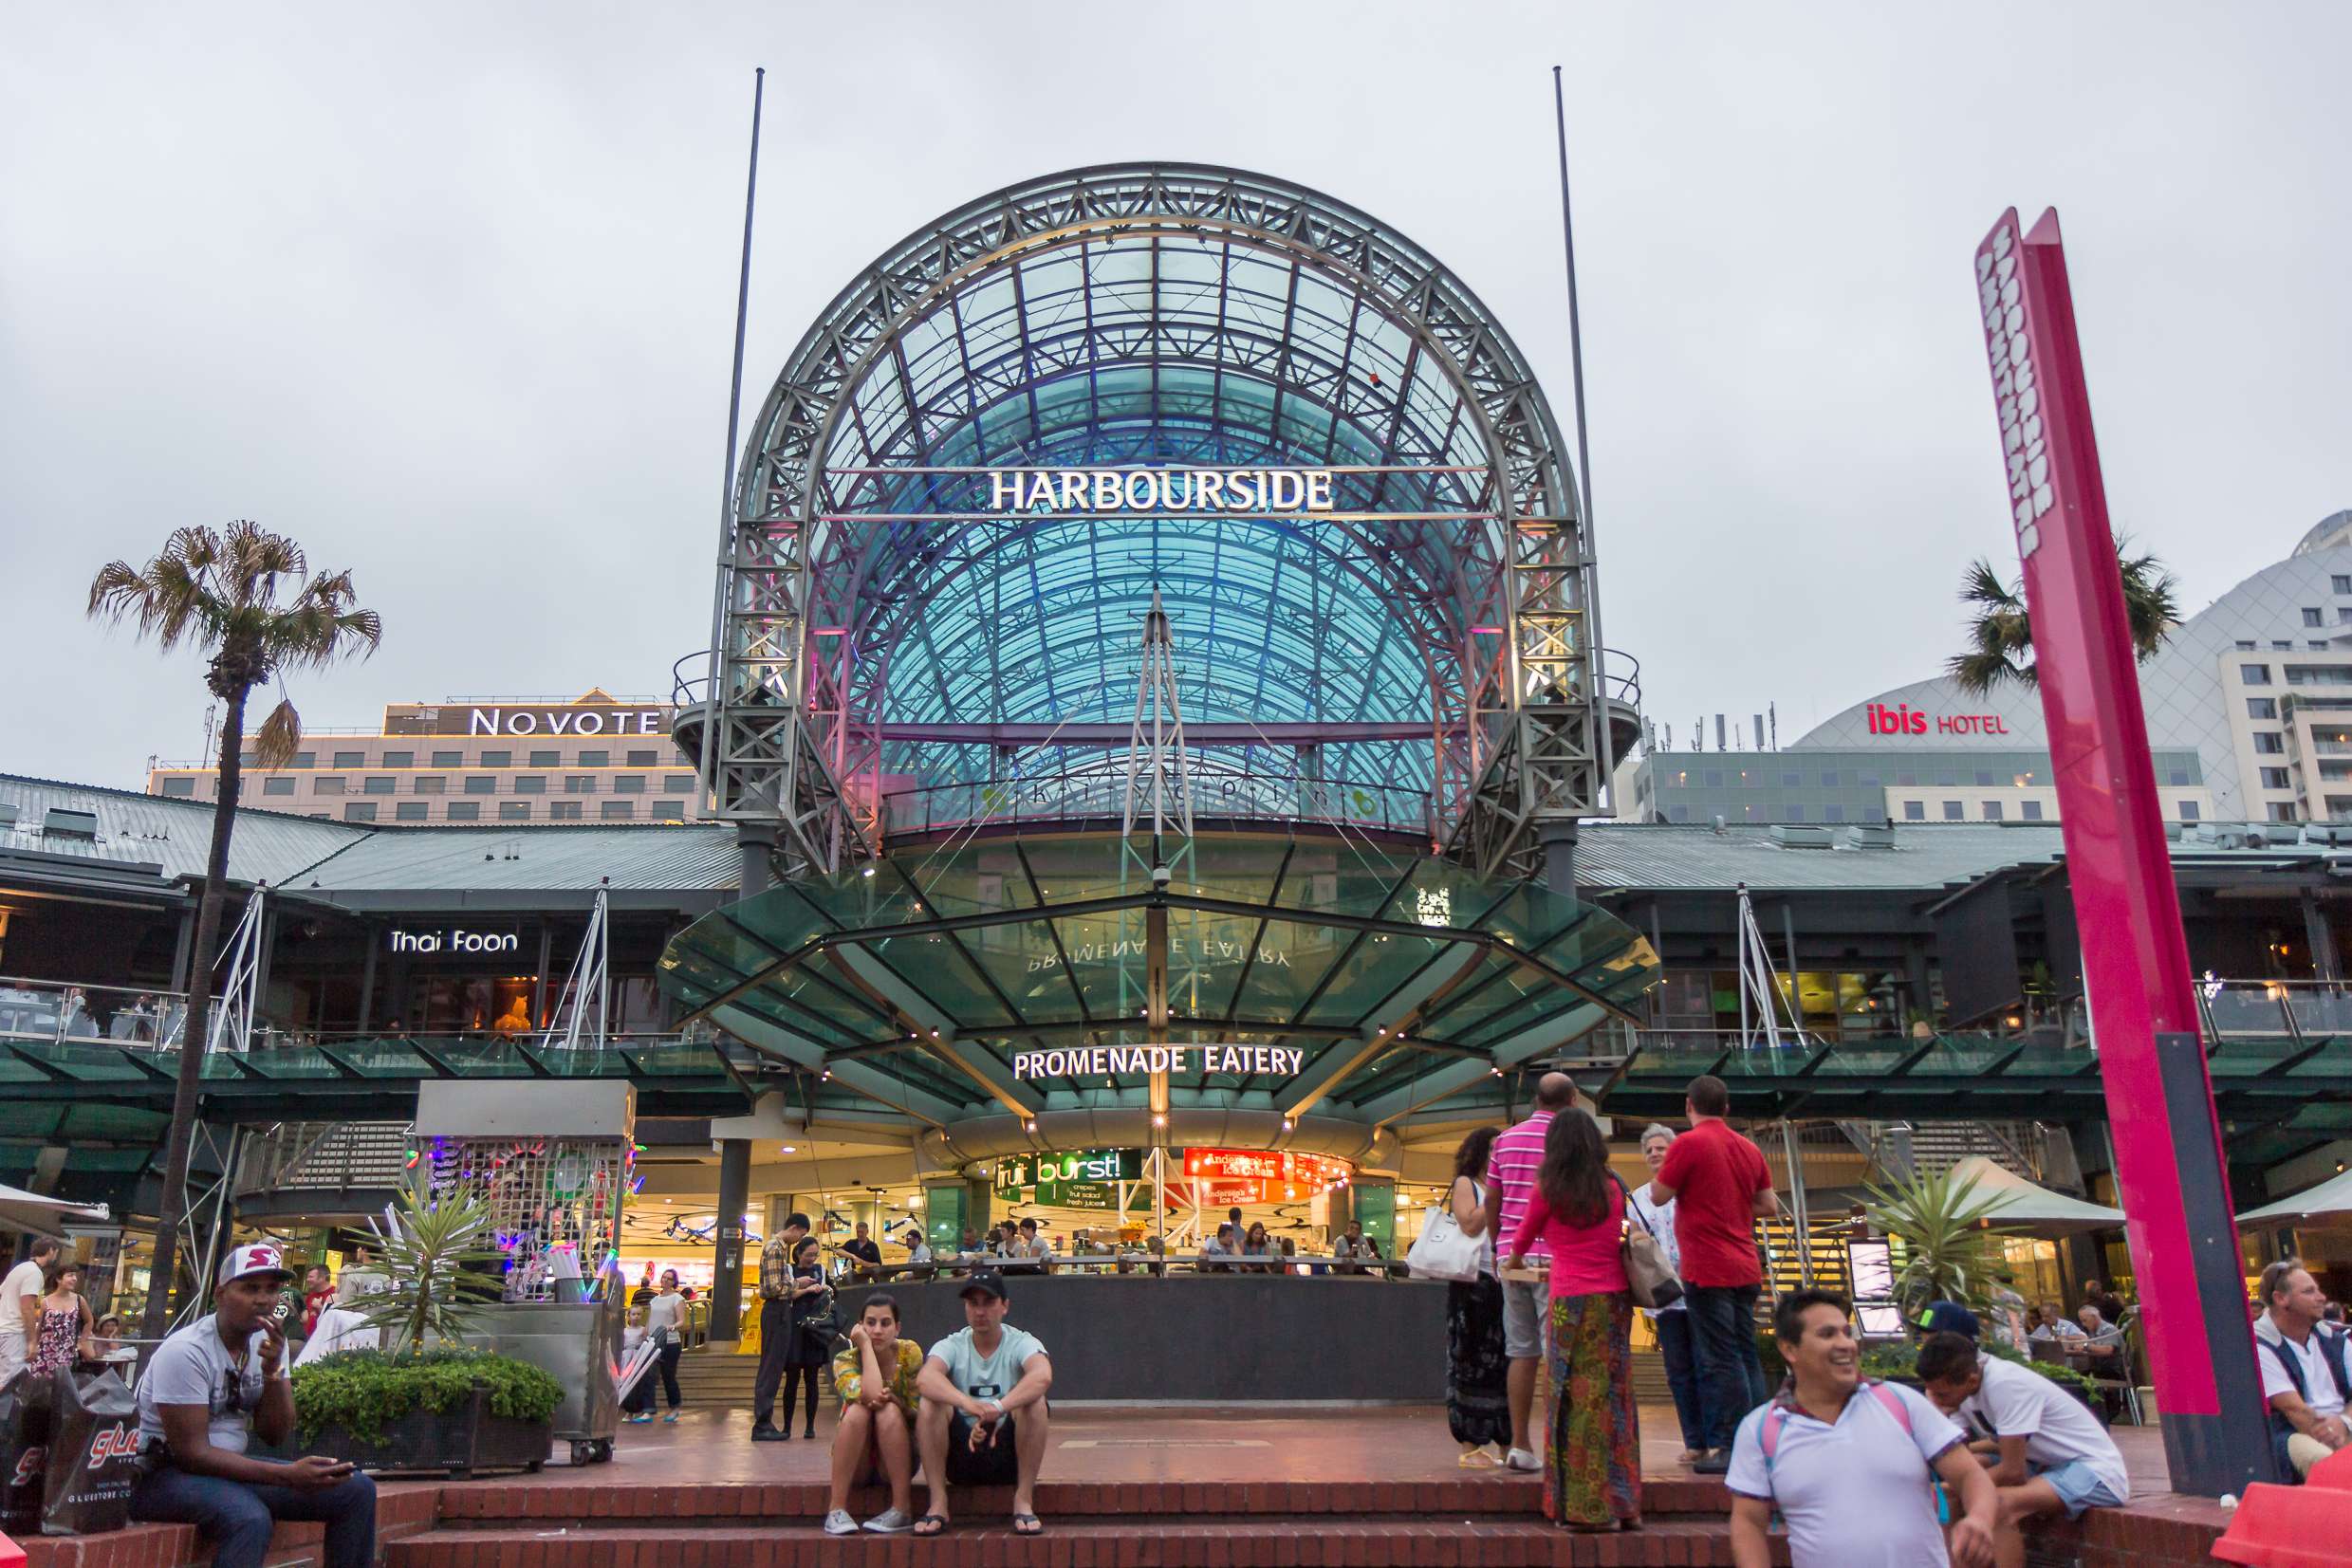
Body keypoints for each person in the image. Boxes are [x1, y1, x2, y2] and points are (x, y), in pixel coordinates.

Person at [128, 1245, 377, 1568]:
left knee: (356, 1490)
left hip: (225, 1471)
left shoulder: (268, 1341)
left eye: (272, 1289)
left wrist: (273, 1372)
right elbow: (192, 1454)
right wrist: (287, 1475)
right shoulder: (186, 1351)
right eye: (249, 1288)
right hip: (160, 1473)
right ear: (220, 1294)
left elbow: (275, 1434)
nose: (263, 1299)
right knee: (249, 1518)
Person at [1727, 1292, 1996, 1568]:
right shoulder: (1761, 1429)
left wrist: (1979, 1518)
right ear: (1789, 1349)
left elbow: (1970, 1475)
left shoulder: (1900, 1403)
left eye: (1846, 1332)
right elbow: (1748, 1522)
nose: (1846, 1344)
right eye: (1827, 1334)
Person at [1503, 1106, 1638, 1531]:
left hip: (1568, 1304)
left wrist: (1518, 1259)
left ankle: (1582, 1508)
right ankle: (1622, 1504)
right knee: (1612, 1399)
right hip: (1613, 1302)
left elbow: (1521, 1240)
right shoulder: (1613, 1185)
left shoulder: (1549, 1186)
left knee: (1571, 1399)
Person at [1646, 1074, 1779, 1472]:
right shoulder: (1747, 1147)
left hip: (1707, 1265)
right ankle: (1756, 1440)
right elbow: (1768, 1204)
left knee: (1719, 1357)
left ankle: (1728, 1446)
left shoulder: (1688, 1144)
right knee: (1745, 1351)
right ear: (1726, 1108)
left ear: (1689, 1106)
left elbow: (1657, 1195)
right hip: (1744, 1262)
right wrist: (1730, 1205)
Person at [1917, 1329, 2130, 1559]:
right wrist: (1941, 1416)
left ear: (1971, 1380)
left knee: (1997, 1504)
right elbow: (1963, 1458)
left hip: (2094, 1471)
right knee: (1950, 1493)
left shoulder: (2005, 1385)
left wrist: (1956, 1486)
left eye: (1941, 1395)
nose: (1936, 1400)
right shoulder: (1957, 1392)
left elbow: (2012, 1473)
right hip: (2042, 1464)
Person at [1483, 1071, 1577, 1472]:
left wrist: (1496, 1245)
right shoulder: (1569, 1142)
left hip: (1511, 1259)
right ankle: (1561, 1447)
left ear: (1536, 1100)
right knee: (1560, 1353)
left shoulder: (1505, 1140)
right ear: (1571, 1102)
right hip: (1556, 1259)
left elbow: (1492, 1198)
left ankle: (1520, 1445)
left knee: (1520, 1352)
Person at [913, 1270, 1052, 1538]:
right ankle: (938, 1503)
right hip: (962, 1456)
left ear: (1005, 1306)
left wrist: (999, 1407)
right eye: (972, 1303)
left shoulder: (1021, 1341)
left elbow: (1042, 1375)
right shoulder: (952, 1344)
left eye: (988, 1303)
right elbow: (926, 1378)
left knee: (1035, 1403)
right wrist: (968, 1403)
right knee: (930, 1403)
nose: (980, 1311)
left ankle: (1023, 1500)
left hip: (1009, 1455)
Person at [1628, 1123, 1704, 1463]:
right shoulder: (1639, 1198)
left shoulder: (1692, 1187)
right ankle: (1694, 1441)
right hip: (1667, 1295)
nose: (1655, 1154)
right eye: (1649, 1150)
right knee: (1679, 1371)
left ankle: (1718, 1437)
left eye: (1661, 1148)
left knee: (1708, 1365)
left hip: (1701, 1287)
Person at [823, 1294, 923, 1536]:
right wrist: (865, 1347)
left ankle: (902, 1508)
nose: (877, 1330)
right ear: (860, 1327)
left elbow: (917, 1412)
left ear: (897, 1328)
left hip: (896, 1460)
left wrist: (898, 1403)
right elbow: (872, 1394)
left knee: (888, 1409)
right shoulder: (844, 1360)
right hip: (858, 1461)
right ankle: (836, 1510)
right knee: (858, 1410)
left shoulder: (909, 1353)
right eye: (870, 1323)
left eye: (885, 1323)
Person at [1442, 1127, 1509, 1467]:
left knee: (1506, 1360)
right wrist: (1496, 1195)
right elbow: (1469, 1223)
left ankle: (1505, 1440)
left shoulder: (1506, 1184)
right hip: (1473, 1283)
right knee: (1470, 1359)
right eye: (1495, 1148)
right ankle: (1470, 1443)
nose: (1500, 1153)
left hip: (1504, 1280)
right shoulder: (1468, 1184)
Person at [2252, 1258, 2350, 1480]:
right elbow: (2295, 1411)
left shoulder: (2336, 1341)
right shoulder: (2261, 1345)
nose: (2322, 1298)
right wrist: (2339, 1442)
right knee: (2329, 1465)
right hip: (2294, 1433)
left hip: (2342, 1425)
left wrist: (2344, 1423)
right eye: (2309, 1292)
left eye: (2318, 1290)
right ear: (2281, 1299)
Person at [751, 1211, 814, 1440]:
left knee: (773, 1367)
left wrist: (796, 1283)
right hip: (777, 1311)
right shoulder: (775, 1248)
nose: (799, 1240)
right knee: (771, 1368)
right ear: (795, 1228)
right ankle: (762, 1424)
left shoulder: (776, 1248)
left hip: (778, 1311)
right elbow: (771, 1289)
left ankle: (764, 1422)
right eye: (801, 1234)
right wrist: (797, 1284)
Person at [776, 1237, 834, 1438]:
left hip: (814, 1330)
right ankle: (787, 1427)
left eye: (815, 1254)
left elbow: (833, 1295)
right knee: (791, 1380)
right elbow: (785, 1295)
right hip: (795, 1329)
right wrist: (806, 1290)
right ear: (799, 1253)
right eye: (809, 1254)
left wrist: (826, 1290)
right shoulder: (790, 1271)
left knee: (812, 1380)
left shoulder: (822, 1271)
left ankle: (810, 1427)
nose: (812, 1258)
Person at [624, 1268, 688, 1425]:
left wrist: (670, 1327)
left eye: (669, 1278)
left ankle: (674, 1407)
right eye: (664, 1277)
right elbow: (651, 1319)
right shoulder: (655, 1299)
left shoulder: (677, 1298)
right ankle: (648, 1410)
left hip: (670, 1342)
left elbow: (681, 1321)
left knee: (668, 1376)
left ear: (674, 1281)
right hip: (653, 1341)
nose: (665, 1280)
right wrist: (645, 1330)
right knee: (648, 1375)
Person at [1, 1236, 59, 1381]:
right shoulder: (34, 1273)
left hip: (4, 1328)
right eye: (56, 1252)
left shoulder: (19, 1268)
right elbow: (27, 1307)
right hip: (15, 1332)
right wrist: (32, 1341)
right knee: (10, 1383)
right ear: (51, 1251)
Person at [27, 1259, 94, 1374]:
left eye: (75, 1276)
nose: (74, 1279)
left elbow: (89, 1321)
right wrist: (33, 1346)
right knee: (41, 1387)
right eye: (70, 1275)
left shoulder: (79, 1300)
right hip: (45, 1351)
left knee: (63, 1385)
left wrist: (82, 1341)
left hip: (67, 1352)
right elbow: (40, 1327)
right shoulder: (45, 1302)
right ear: (59, 1279)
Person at [300, 1264, 335, 1338]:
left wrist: (320, 1308)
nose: (307, 1279)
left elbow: (335, 1321)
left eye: (311, 1277)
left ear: (322, 1278)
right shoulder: (311, 1295)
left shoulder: (335, 1295)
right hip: (306, 1339)